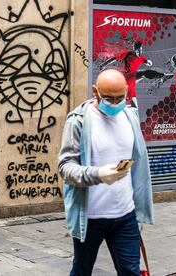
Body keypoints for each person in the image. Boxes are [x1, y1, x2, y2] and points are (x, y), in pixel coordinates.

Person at [58, 69, 154, 276]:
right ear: (95, 92)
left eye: (121, 97)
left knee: (131, 271)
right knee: (82, 270)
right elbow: (65, 167)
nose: (115, 103)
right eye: (109, 98)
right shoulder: (78, 121)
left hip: (126, 215)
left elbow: (138, 161)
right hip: (90, 217)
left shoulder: (130, 116)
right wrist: (99, 174)